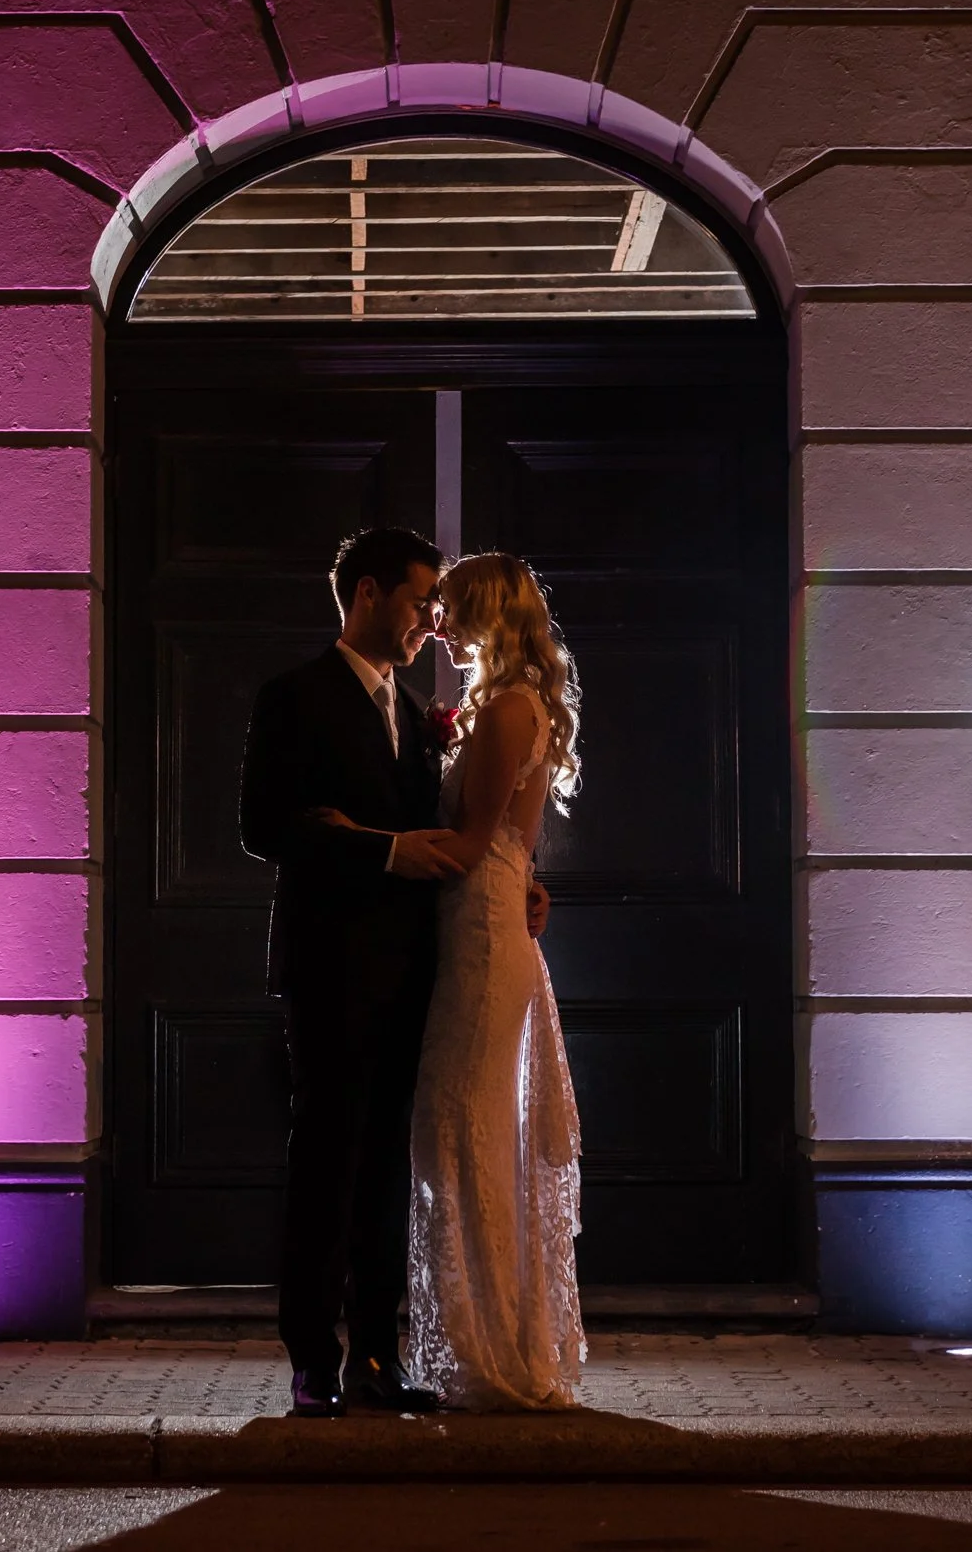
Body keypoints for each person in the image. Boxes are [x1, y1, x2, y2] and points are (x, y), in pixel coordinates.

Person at [239, 527, 549, 1419]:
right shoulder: (294, 696)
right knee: (328, 1161)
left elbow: (474, 831)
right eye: (421, 602)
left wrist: (525, 883)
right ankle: (312, 1360)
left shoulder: (421, 718)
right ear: (367, 594)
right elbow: (266, 825)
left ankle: (380, 1350)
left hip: (422, 970)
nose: (431, 620)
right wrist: (381, 851)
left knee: (386, 1170)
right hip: (331, 967)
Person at [317, 551, 584, 1410]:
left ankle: (489, 1344)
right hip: (473, 931)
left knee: (458, 1131)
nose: (436, 619)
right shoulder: (501, 706)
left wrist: (359, 836)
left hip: (482, 935)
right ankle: (480, 1337)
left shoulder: (509, 710)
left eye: (450, 605)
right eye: (431, 603)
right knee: (456, 1132)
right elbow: (506, 840)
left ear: (486, 614)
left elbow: (474, 849)